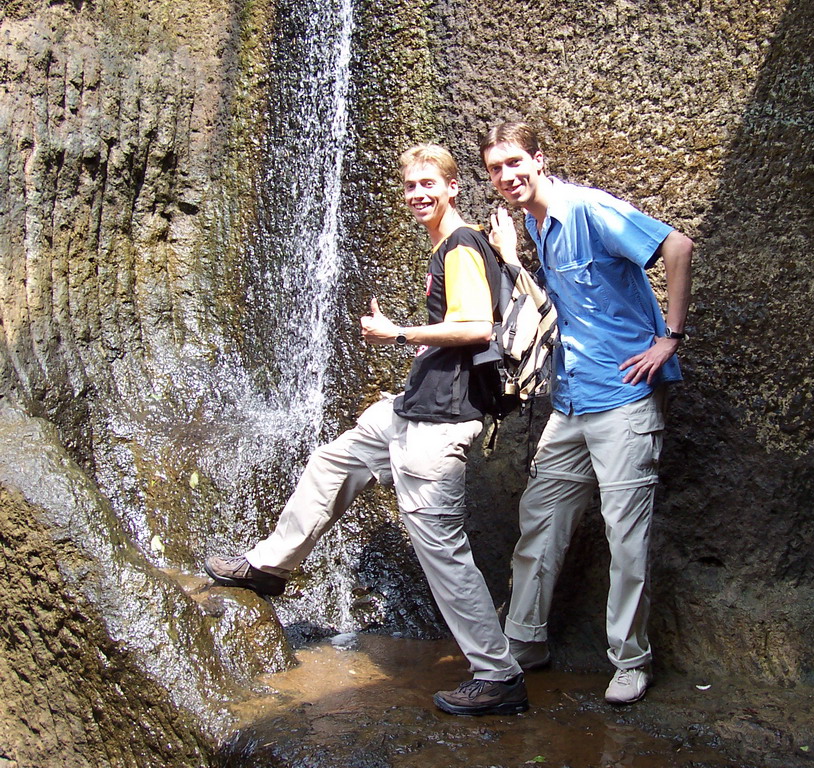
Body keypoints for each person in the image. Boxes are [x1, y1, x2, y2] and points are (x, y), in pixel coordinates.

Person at [205, 144, 528, 717]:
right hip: (412, 411)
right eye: (410, 186)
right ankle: (271, 566)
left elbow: (477, 326)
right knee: (334, 459)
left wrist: (396, 332)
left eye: (429, 183)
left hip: (439, 428)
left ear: (452, 187)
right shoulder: (463, 242)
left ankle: (498, 675)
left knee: (443, 555)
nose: (418, 194)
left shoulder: (458, 246)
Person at [480, 122, 693, 704]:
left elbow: (678, 246)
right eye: (496, 168)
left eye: (515, 162)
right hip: (571, 399)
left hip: (624, 398)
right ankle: (523, 641)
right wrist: (509, 256)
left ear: (539, 159)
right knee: (540, 517)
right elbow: (555, 308)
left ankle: (630, 660)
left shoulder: (590, 209)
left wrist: (669, 337)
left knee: (627, 535)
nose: (507, 176)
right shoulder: (534, 224)